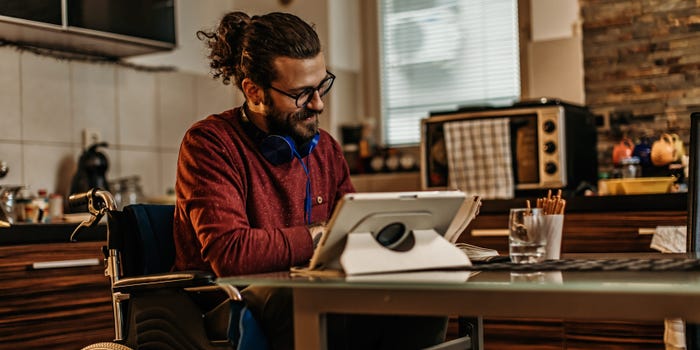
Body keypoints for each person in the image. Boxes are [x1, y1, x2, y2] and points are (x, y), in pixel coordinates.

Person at [173, 11, 447, 350]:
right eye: (302, 94)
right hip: (224, 304)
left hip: (308, 292)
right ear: (254, 91)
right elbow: (231, 254)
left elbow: (354, 231)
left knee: (423, 301)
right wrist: (321, 236)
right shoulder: (209, 143)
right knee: (304, 300)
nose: (318, 104)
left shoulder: (326, 149)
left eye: (321, 87)